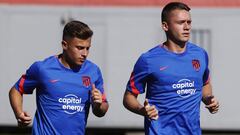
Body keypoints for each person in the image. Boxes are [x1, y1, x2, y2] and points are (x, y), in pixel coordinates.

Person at [123, 2, 219, 135]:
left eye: (189, 22)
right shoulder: (148, 59)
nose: (186, 27)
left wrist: (208, 99)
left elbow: (205, 84)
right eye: (180, 22)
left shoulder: (200, 54)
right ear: (165, 26)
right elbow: (128, 97)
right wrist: (142, 110)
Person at [9, 20, 109, 134]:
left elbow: (101, 110)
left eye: (88, 48)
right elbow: (16, 90)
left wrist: (98, 105)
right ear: (64, 45)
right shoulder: (43, 69)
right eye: (80, 48)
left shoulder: (93, 71)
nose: (85, 53)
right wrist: (19, 113)